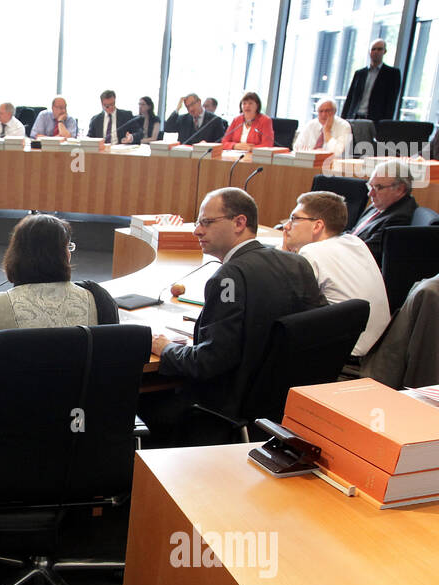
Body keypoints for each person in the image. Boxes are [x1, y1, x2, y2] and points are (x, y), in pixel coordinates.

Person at [148, 188, 325, 442]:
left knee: (137, 400)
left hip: (224, 411)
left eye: (206, 223)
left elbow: (207, 363)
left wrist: (165, 348)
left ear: (239, 223)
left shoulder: (228, 277)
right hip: (284, 409)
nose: (197, 231)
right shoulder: (296, 263)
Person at [0, 213, 119, 384]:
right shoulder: (96, 299)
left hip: (16, 409)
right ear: (65, 255)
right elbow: (112, 362)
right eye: (67, 247)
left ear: (15, 255)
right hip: (81, 408)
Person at [280, 191, 391, 358]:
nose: (286, 226)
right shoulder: (355, 242)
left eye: (294, 219)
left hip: (345, 355)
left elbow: (280, 298)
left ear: (317, 226)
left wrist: (283, 254)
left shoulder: (311, 253)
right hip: (380, 350)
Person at [346, 160, 418, 263]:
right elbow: (354, 232)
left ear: (400, 190)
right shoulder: (379, 205)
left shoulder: (400, 218)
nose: (370, 194)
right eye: (370, 186)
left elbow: (367, 252)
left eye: (378, 187)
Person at [341, 39, 401, 121]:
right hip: (354, 117)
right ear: (369, 52)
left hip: (375, 120)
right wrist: (343, 118)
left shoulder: (392, 74)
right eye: (373, 49)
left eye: (379, 49)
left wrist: (385, 123)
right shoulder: (359, 73)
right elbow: (350, 98)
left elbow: (391, 102)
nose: (376, 52)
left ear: (385, 51)